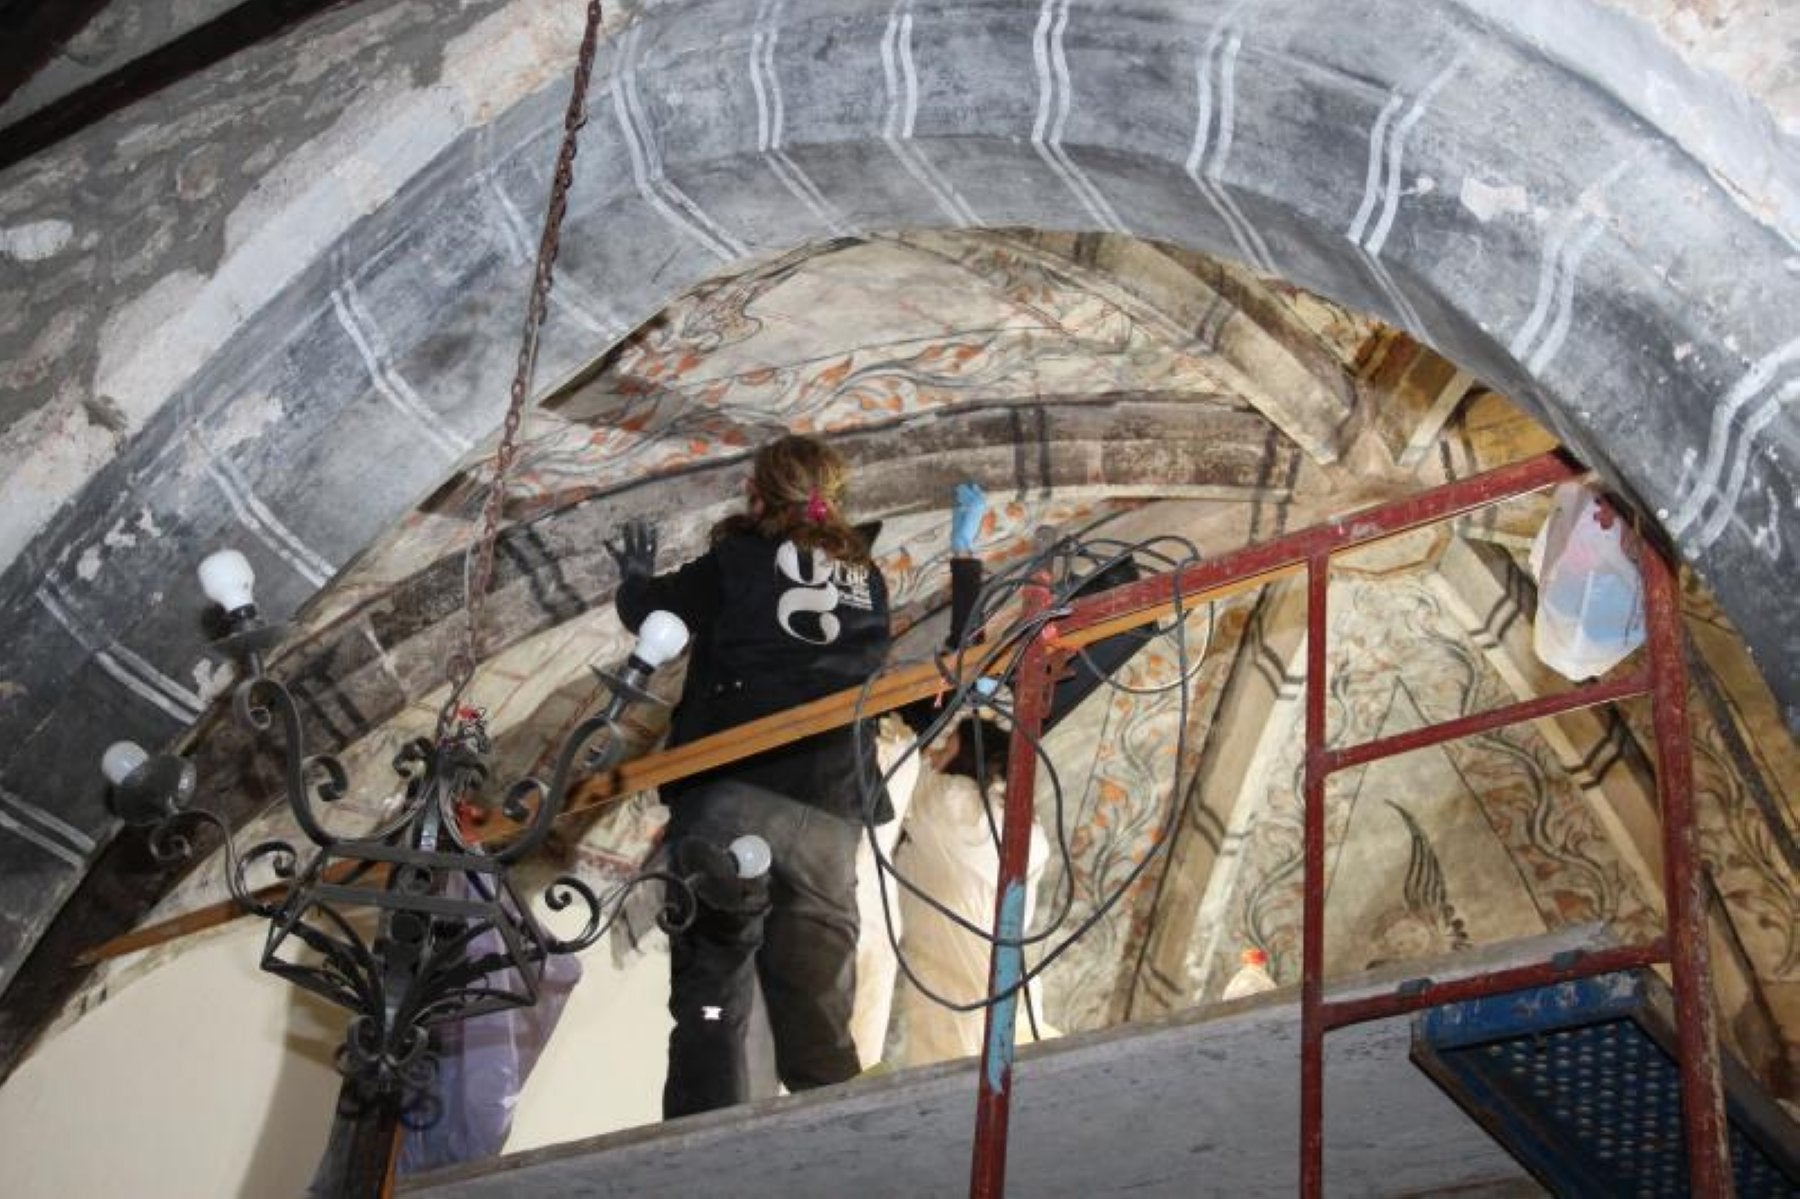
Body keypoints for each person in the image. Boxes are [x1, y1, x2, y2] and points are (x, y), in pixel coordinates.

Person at [609, 433, 893, 1119]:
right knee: (816, 992)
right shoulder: (869, 578)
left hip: (734, 783)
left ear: (755, 493)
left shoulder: (739, 557)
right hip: (832, 802)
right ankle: (840, 1134)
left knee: (715, 977)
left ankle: (700, 1141)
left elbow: (656, 614)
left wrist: (634, 581)